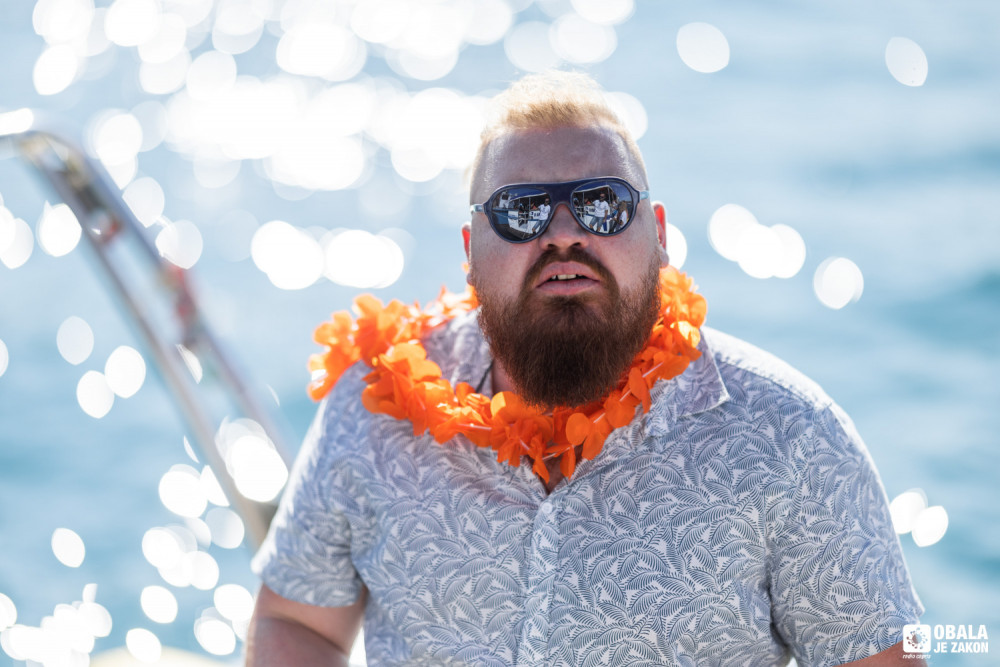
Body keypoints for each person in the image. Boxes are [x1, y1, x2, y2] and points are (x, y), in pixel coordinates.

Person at [248, 71, 924, 666]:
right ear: (471, 251)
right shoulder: (375, 407)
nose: (565, 232)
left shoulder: (792, 439)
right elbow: (297, 622)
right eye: (522, 211)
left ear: (659, 235)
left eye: (604, 203)